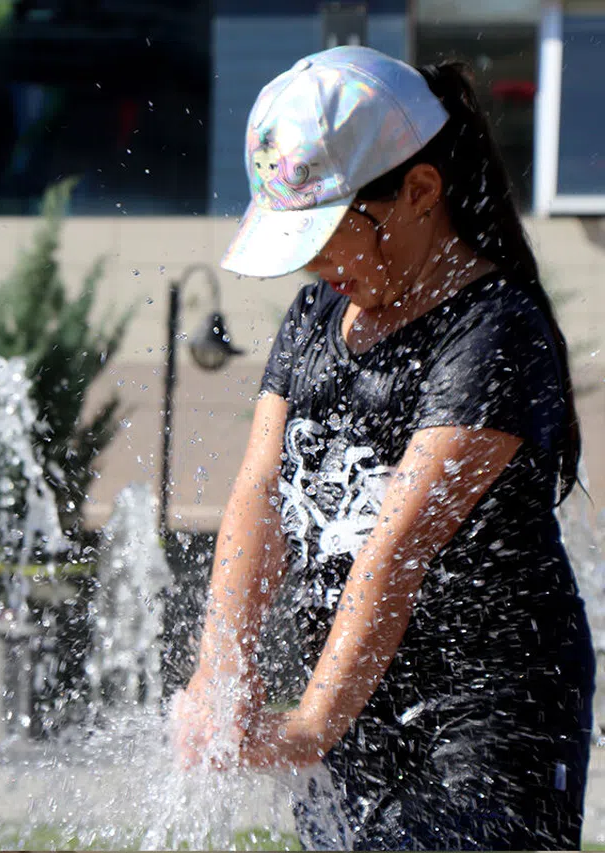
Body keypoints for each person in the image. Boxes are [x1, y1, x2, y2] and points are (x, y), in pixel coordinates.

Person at [169, 45, 595, 850]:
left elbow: (398, 546)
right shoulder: (312, 321)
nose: (310, 261)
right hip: (359, 693)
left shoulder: (492, 331)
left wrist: (308, 725)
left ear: (420, 192)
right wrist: (219, 678)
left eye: (324, 232)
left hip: (486, 717)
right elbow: (258, 495)